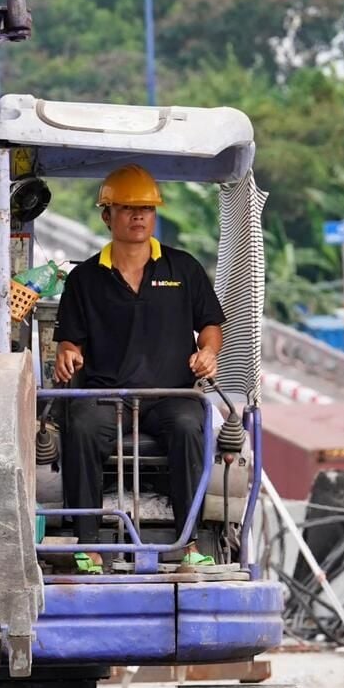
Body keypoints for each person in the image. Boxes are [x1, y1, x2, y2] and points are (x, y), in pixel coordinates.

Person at [52, 165, 224, 554]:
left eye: (145, 209)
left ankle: (190, 544)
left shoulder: (184, 268)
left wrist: (208, 351)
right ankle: (88, 544)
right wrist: (67, 355)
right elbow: (69, 342)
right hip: (106, 396)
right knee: (78, 426)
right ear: (107, 215)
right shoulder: (85, 279)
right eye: (127, 208)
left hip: (170, 394)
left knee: (188, 426)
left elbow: (211, 324)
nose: (138, 217)